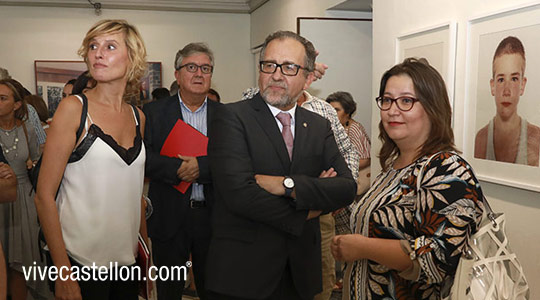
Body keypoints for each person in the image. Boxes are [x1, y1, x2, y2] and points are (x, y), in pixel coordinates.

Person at [205, 30, 356, 300]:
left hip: (299, 274)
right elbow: (240, 195)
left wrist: (287, 185)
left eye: (289, 67)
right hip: (243, 276)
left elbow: (346, 187)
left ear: (308, 78)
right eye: (269, 65)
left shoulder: (319, 125)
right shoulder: (231, 117)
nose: (276, 75)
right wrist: (310, 205)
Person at [331, 58, 484, 299]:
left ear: (433, 107)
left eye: (406, 101)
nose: (392, 110)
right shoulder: (394, 166)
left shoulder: (446, 168)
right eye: (387, 100)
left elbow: (440, 258)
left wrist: (363, 247)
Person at [34, 19, 148, 300]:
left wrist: (146, 252)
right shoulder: (74, 108)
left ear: (132, 57)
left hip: (126, 263)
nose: (98, 53)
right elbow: (44, 196)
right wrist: (63, 273)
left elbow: (135, 195)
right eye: (93, 46)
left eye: (110, 47)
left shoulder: (138, 117)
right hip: (79, 262)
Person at [241, 73, 359, 300]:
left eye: (292, 67)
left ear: (308, 75)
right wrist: (317, 185)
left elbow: (347, 155)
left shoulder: (324, 111)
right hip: (265, 214)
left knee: (318, 285)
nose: (281, 75)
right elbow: (249, 174)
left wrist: (329, 192)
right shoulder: (255, 103)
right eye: (276, 66)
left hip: (317, 216)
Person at [143, 42, 221, 300]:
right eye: (191, 67)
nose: (199, 74)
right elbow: (144, 158)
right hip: (169, 217)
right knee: (169, 292)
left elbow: (236, 160)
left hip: (213, 219)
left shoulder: (227, 116)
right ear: (177, 74)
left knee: (214, 289)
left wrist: (202, 168)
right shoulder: (152, 113)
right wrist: (180, 169)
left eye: (205, 68)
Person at [0, 79, 47, 300]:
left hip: (25, 200)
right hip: (1, 198)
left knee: (23, 262)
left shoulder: (28, 129)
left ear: (17, 104)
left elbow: (40, 160)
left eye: (2, 98)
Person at [474, 36, 540, 166]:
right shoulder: (480, 139)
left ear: (522, 85)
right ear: (492, 86)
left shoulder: (536, 138)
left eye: (514, 79)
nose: (506, 90)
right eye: (501, 80)